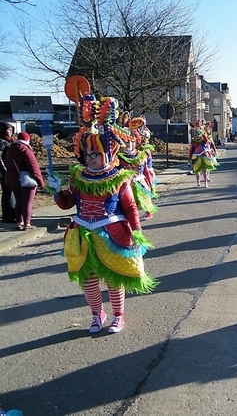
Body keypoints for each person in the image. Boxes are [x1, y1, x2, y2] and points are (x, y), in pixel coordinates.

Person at [46, 95, 158, 334]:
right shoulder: (78, 177)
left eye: (95, 154)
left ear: (108, 153)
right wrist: (56, 190)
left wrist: (137, 231)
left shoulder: (120, 179)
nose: (90, 158)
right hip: (83, 234)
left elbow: (128, 208)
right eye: (87, 154)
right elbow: (67, 203)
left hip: (112, 234)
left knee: (113, 279)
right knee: (88, 281)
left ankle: (118, 316)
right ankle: (97, 315)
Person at [4, 131, 44, 230]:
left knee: (18, 201)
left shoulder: (9, 150)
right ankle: (27, 223)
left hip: (12, 180)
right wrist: (40, 182)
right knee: (27, 202)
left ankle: (19, 222)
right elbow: (34, 168)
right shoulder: (26, 151)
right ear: (27, 140)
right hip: (26, 180)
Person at [188, 120, 219, 187]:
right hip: (196, 156)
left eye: (198, 134)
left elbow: (207, 141)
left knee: (204, 170)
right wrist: (189, 160)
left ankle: (205, 183)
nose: (197, 136)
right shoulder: (193, 141)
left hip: (203, 155)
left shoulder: (203, 140)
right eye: (196, 134)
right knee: (197, 171)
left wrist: (202, 133)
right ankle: (198, 183)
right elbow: (191, 150)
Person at [0, 121, 16, 223]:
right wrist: (4, 170)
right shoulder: (1, 142)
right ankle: (7, 216)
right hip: (4, 172)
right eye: (8, 130)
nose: (10, 132)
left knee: (11, 193)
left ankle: (13, 213)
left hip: (10, 171)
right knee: (7, 193)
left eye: (11, 130)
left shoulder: (10, 141)